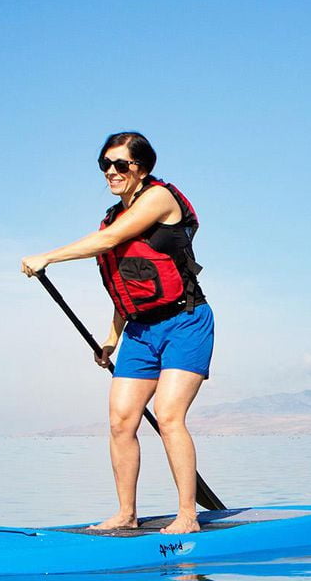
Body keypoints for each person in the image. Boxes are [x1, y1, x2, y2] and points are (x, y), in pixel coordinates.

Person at [21, 132, 212, 533]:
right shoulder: (112, 216)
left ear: (142, 168)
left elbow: (107, 241)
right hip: (139, 332)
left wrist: (48, 257)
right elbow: (127, 290)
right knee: (121, 422)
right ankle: (126, 513)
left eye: (120, 164)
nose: (111, 171)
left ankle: (187, 516)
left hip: (185, 322)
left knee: (168, 416)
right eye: (105, 164)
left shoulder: (159, 199)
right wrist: (111, 339)